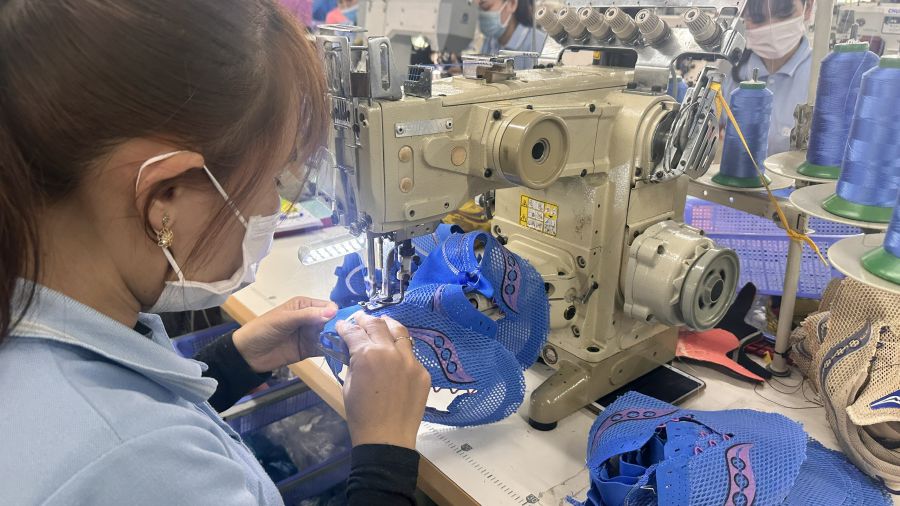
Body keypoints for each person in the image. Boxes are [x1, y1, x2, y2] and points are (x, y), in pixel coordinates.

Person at [0, 1, 430, 505]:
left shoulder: (44, 317)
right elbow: (142, 457)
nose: (276, 204)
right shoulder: (133, 462)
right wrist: (385, 451)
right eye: (272, 178)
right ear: (164, 198)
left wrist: (232, 362)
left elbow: (134, 403)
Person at [726, 0, 815, 155]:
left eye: (784, 13)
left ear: (808, 7)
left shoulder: (823, 76)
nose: (772, 27)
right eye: (758, 17)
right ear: (743, 15)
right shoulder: (732, 74)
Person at [478, 0, 547, 56]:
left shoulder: (538, 44)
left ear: (512, 4)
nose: (481, 13)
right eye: (480, 8)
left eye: (486, 7)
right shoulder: (490, 41)